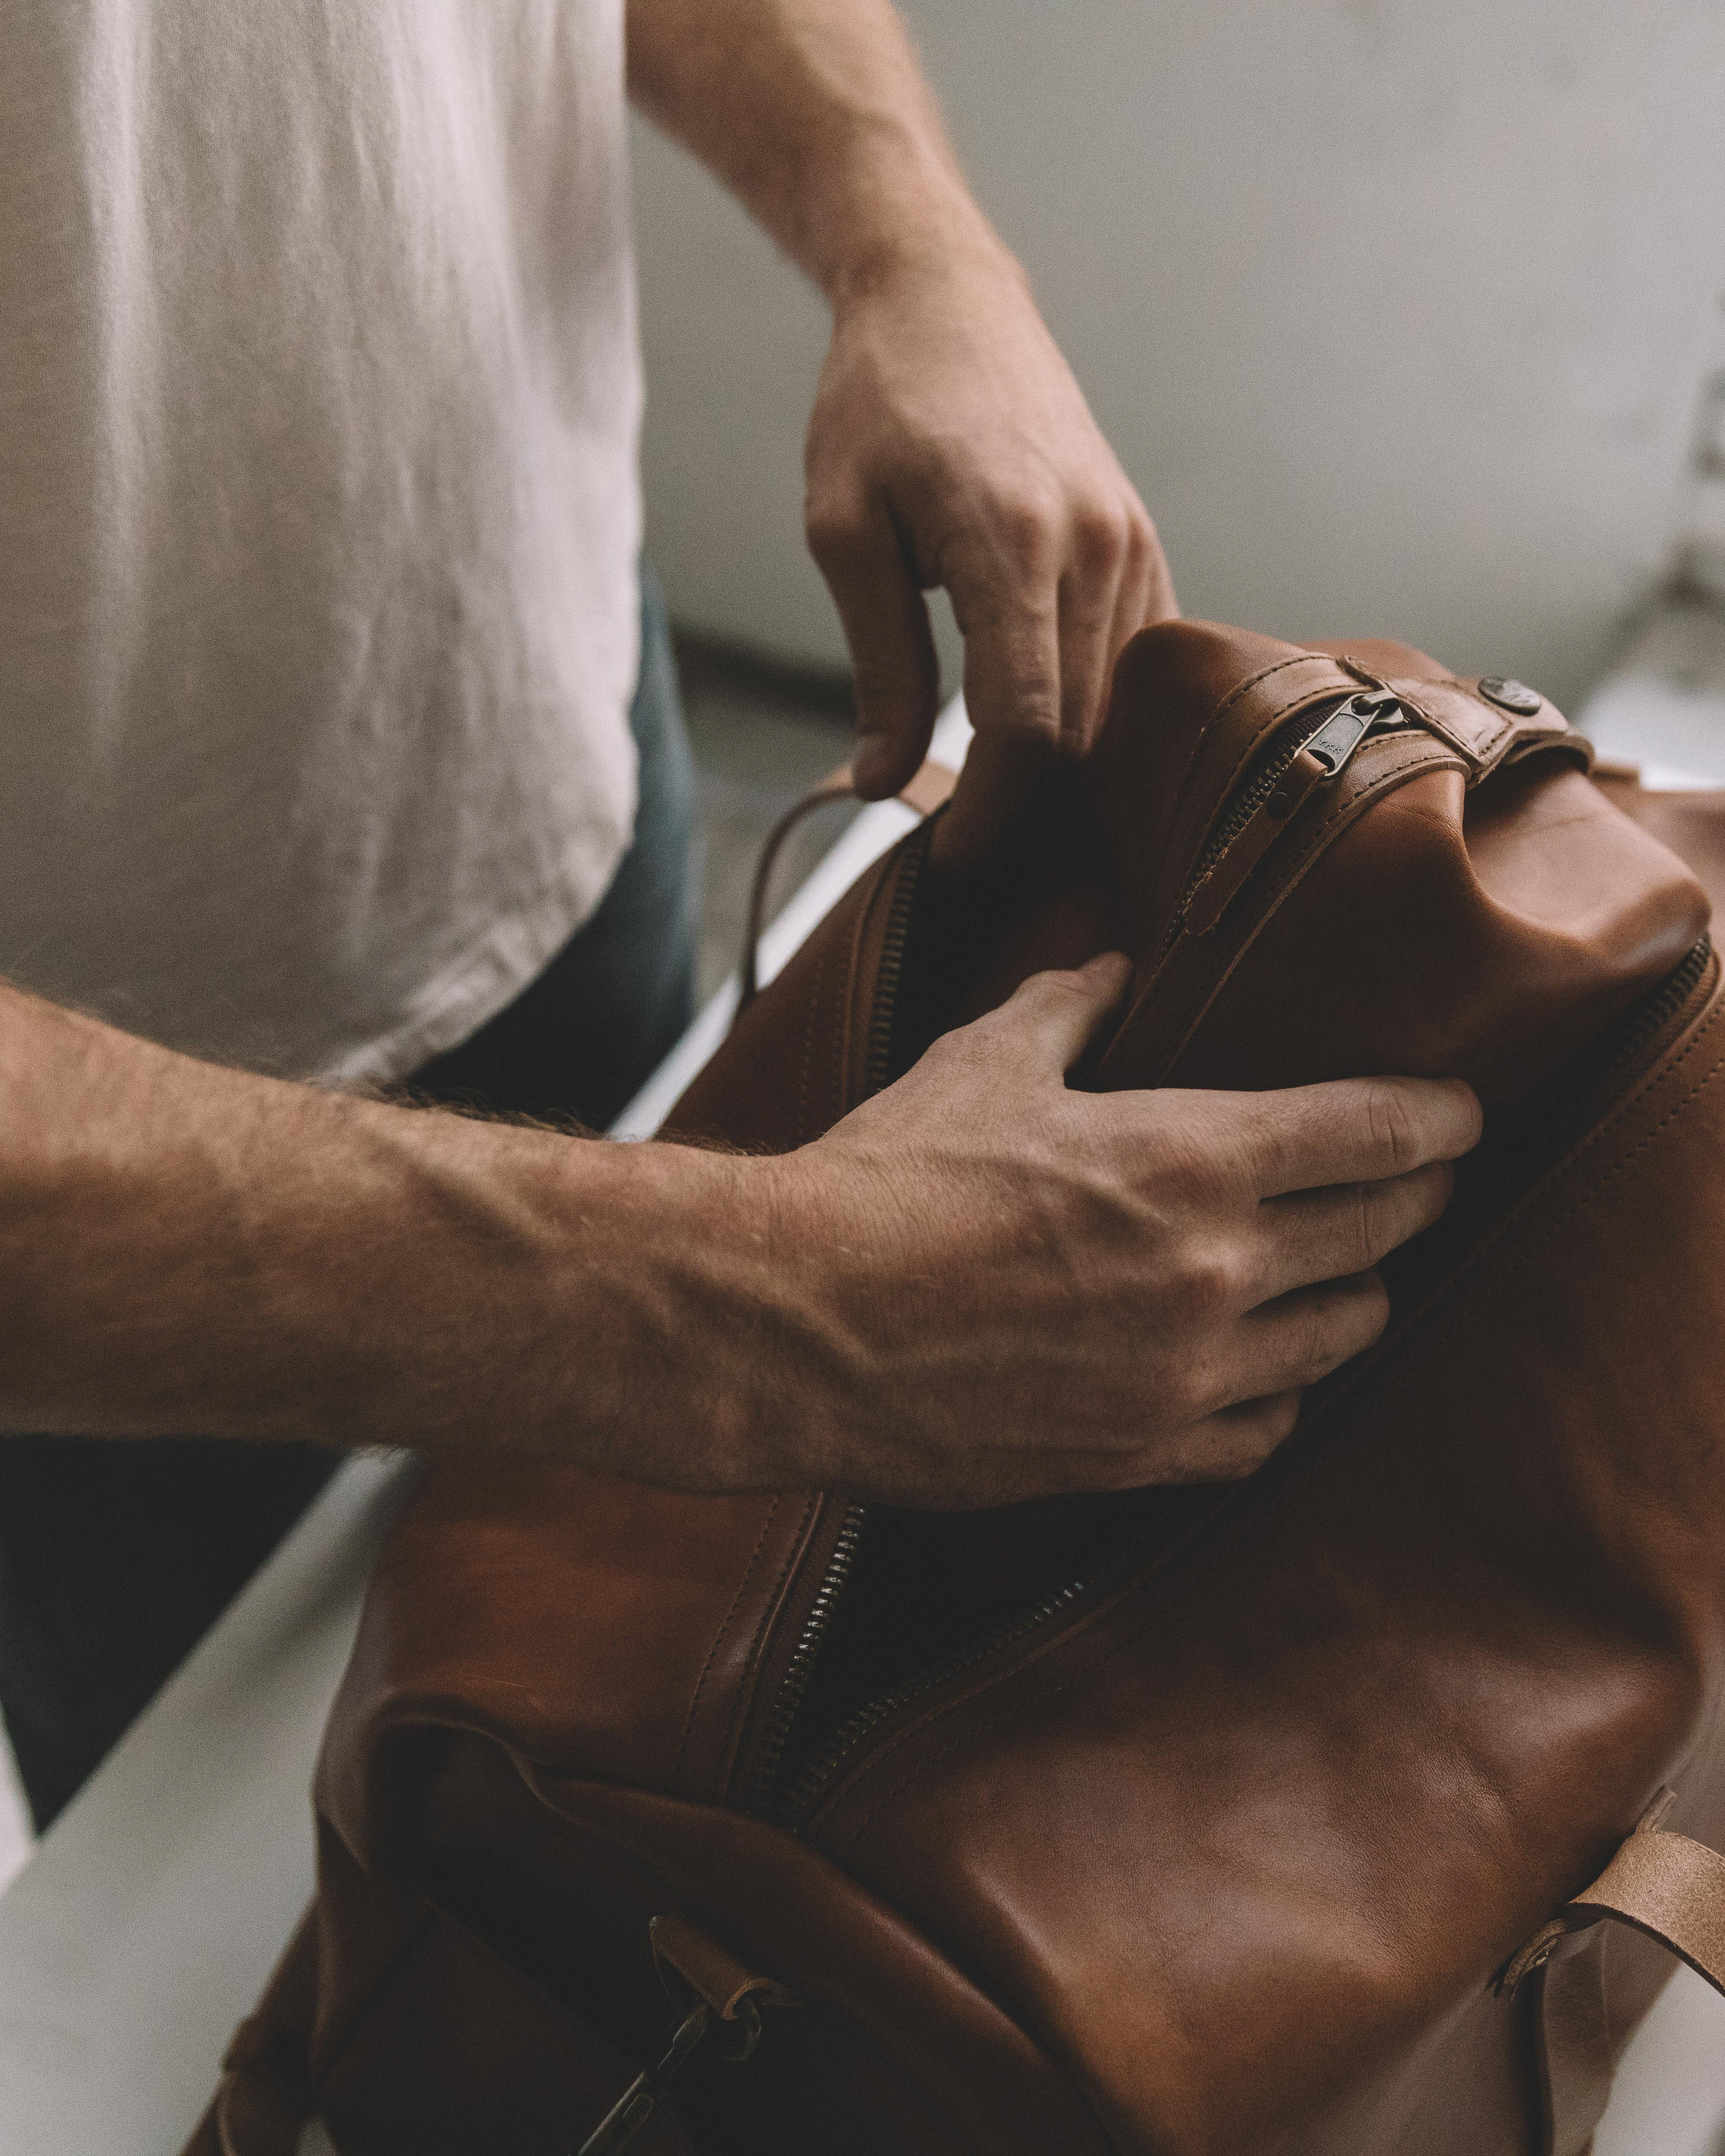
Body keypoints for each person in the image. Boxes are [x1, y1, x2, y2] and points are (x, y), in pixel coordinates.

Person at [0, 0, 1480, 1830]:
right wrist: (779, 1307)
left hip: (541, 749)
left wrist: (911, 236)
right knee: (269, 1905)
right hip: (103, 1163)